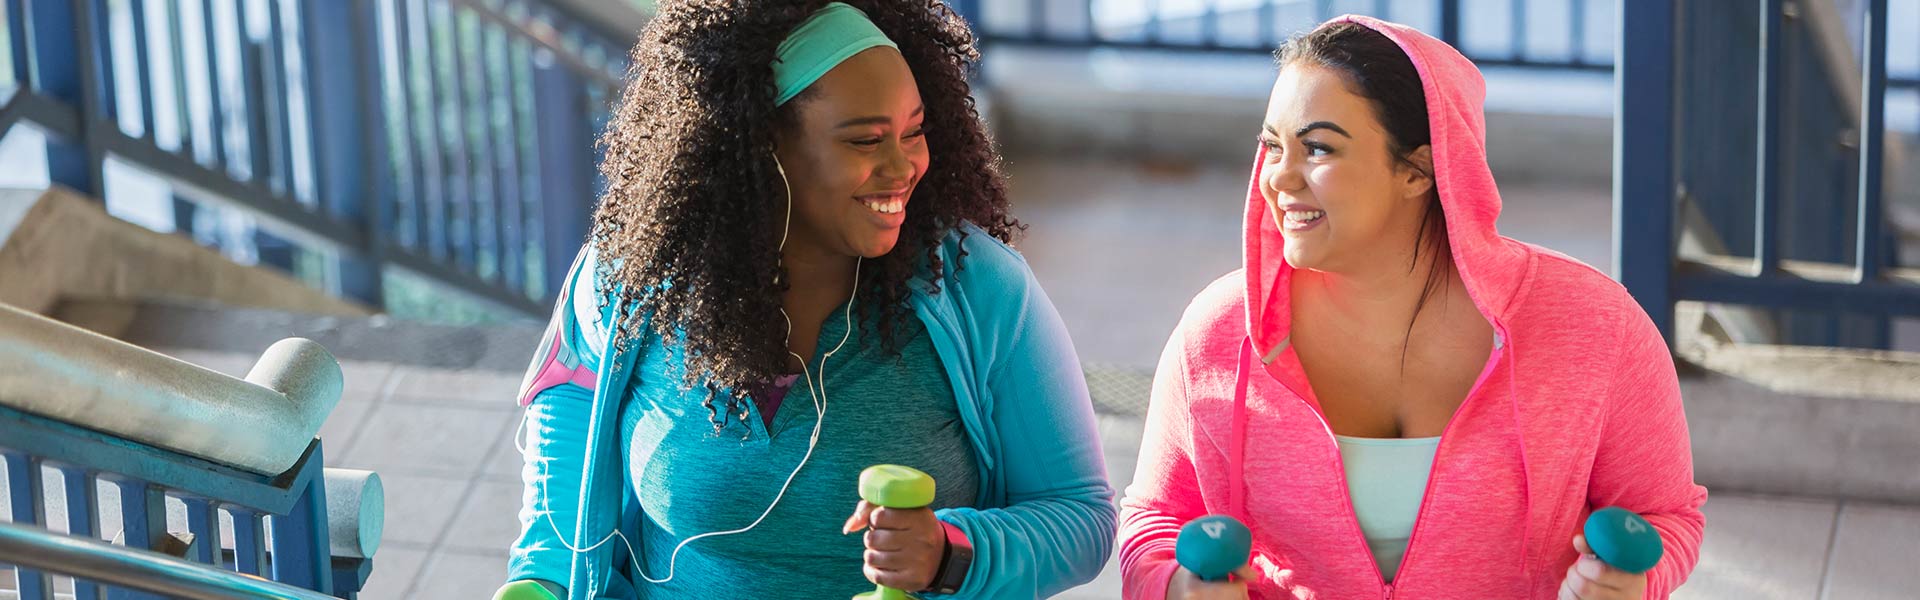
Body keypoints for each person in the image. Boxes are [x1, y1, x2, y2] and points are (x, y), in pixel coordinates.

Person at [502, 2, 1114, 598]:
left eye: (915, 131)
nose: (905, 166)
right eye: (866, 140)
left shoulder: (978, 288)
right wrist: (541, 579)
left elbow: (1081, 517)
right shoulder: (632, 277)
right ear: (761, 145)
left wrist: (949, 553)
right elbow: (570, 421)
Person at [1117, 16, 1707, 600]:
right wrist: (1177, 588)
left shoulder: (1594, 325)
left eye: (1318, 148)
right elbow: (1153, 521)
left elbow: (1667, 515)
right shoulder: (1218, 332)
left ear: (1421, 168)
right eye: (1272, 146)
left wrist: (1631, 583)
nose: (1279, 178)